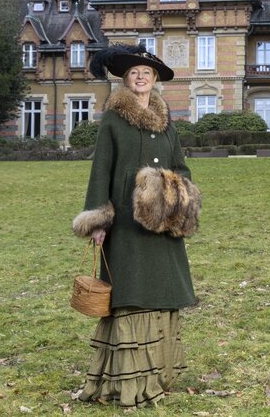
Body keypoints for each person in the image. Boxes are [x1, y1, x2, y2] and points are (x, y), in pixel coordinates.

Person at [72, 45, 201, 408]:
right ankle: (126, 382)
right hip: (128, 224)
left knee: (162, 292)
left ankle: (159, 375)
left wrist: (178, 195)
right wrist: (98, 218)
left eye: (146, 72)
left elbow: (182, 166)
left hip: (164, 225)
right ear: (125, 81)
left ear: (155, 79)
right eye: (133, 73)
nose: (140, 77)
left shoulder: (166, 120)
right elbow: (101, 168)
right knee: (130, 294)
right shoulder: (114, 119)